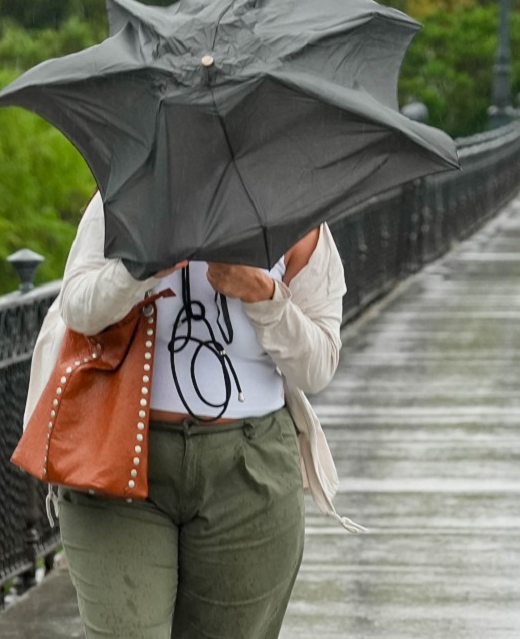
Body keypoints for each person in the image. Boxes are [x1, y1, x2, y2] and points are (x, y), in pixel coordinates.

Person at [24, 191, 361, 639]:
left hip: (249, 472)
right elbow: (78, 307)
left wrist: (263, 293)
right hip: (119, 457)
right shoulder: (128, 195)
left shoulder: (294, 212)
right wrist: (140, 267)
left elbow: (318, 365)